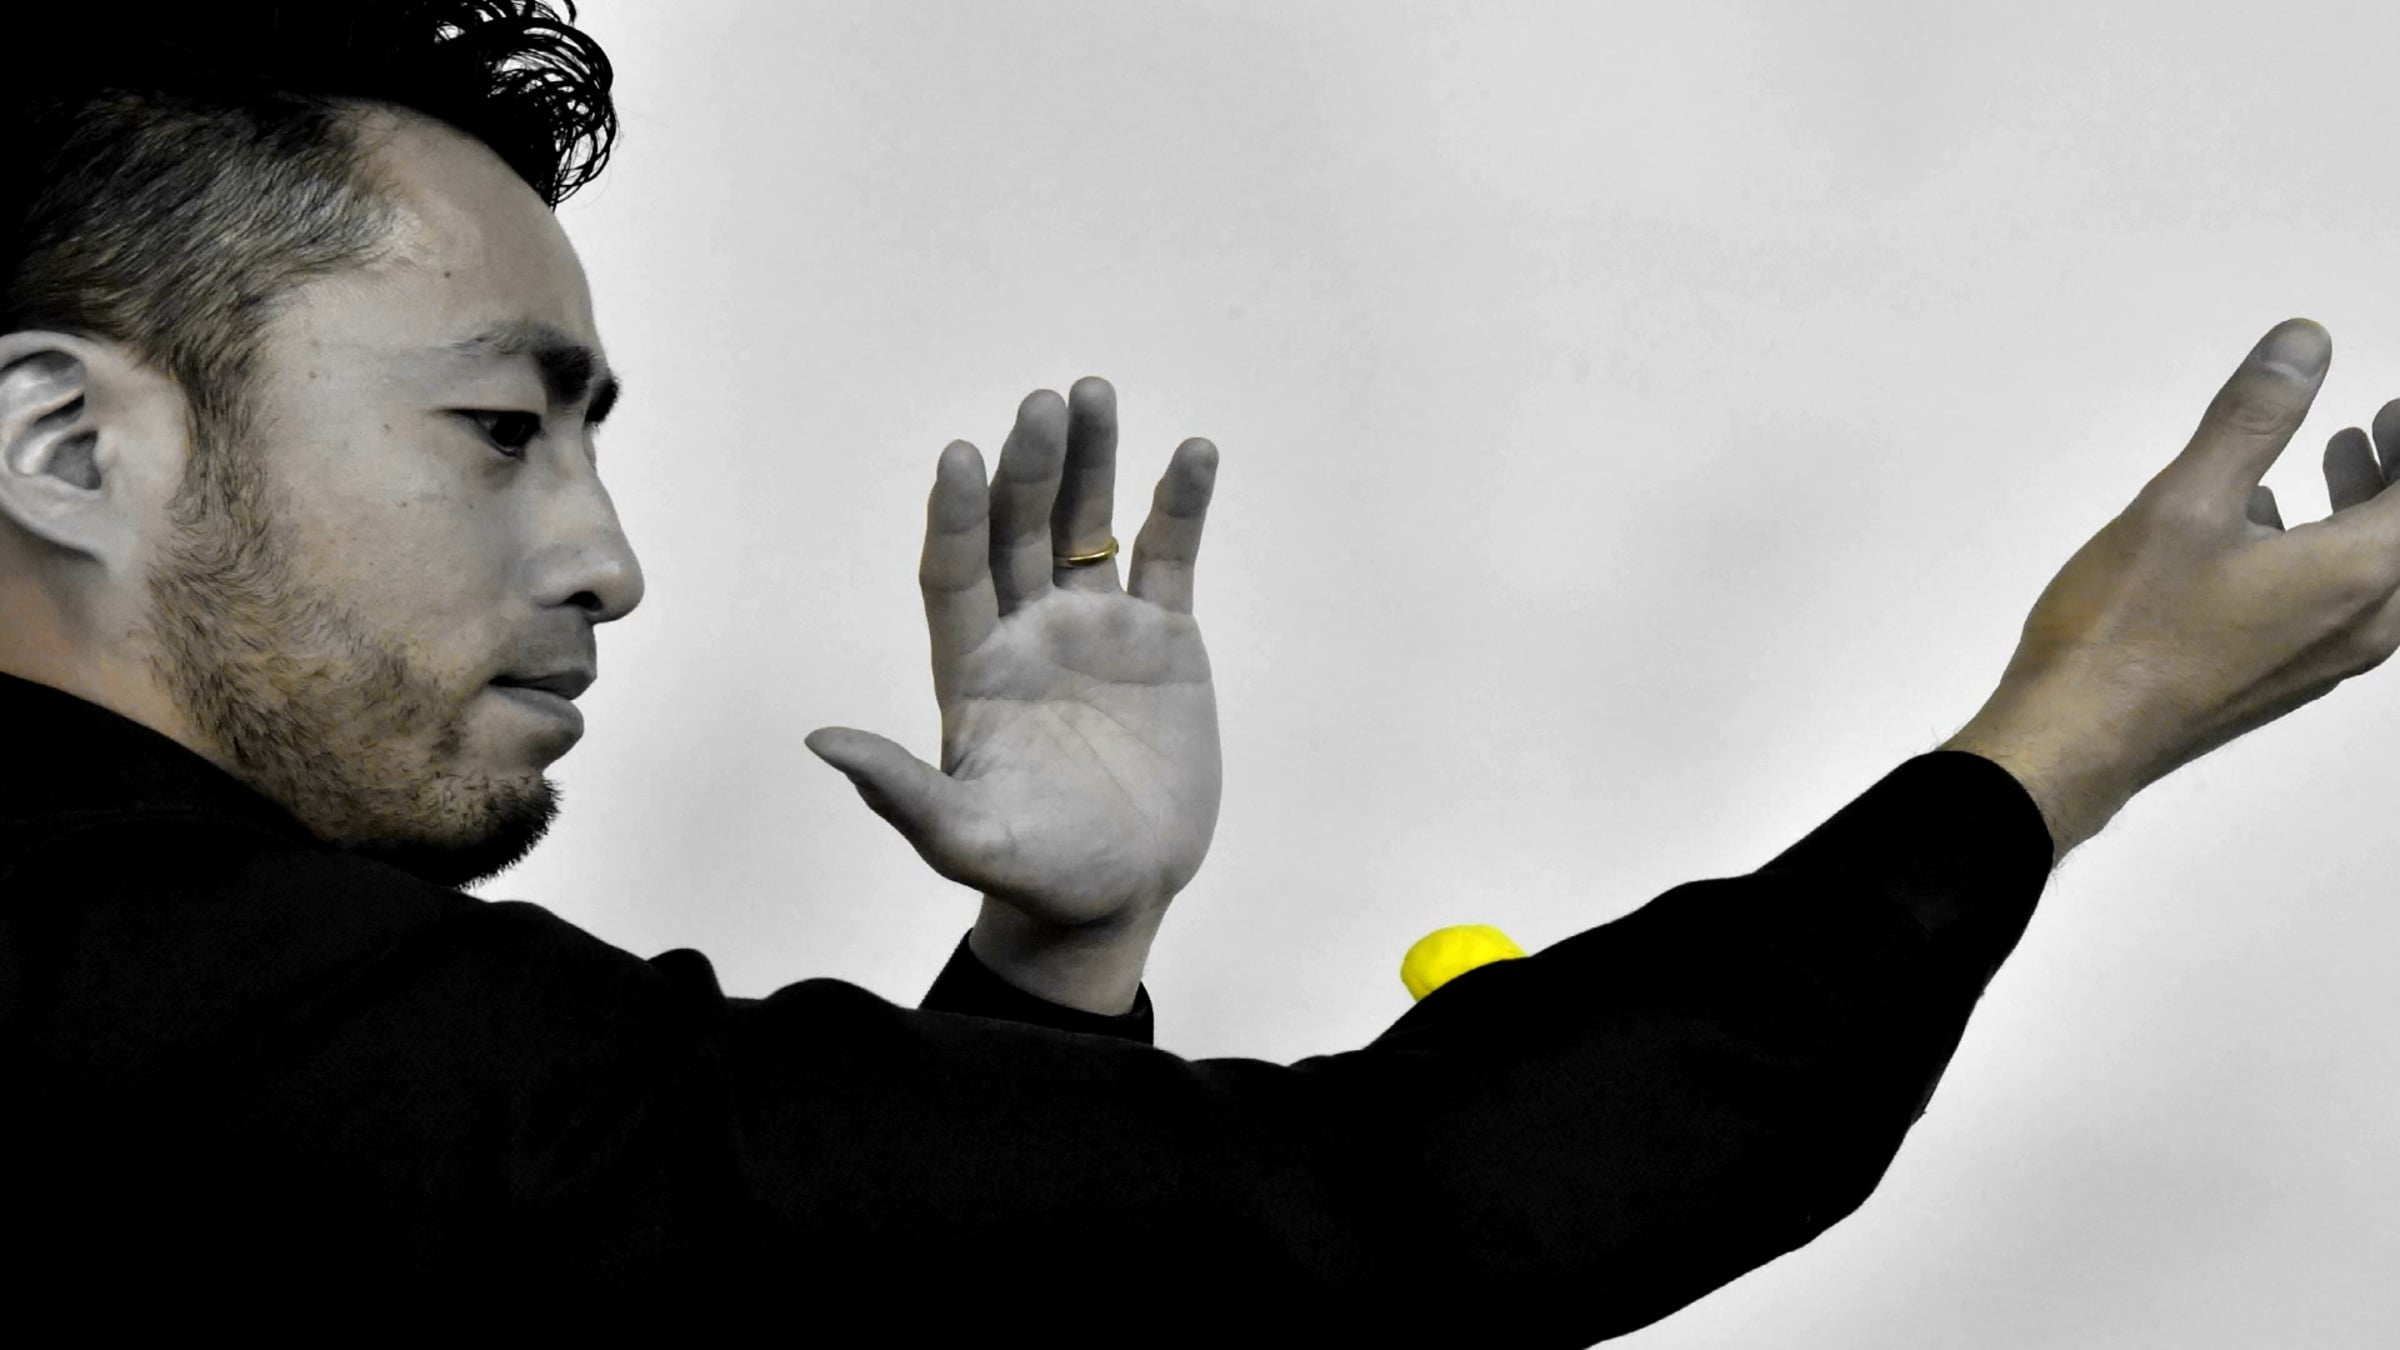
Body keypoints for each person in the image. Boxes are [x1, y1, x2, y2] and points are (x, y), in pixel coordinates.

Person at [6, 4, 2396, 1342]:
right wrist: (2076, 733)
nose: (608, 561)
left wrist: (1054, 979)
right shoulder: (133, 975)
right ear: (65, 443)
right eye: (497, 429)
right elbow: (1390, 1221)